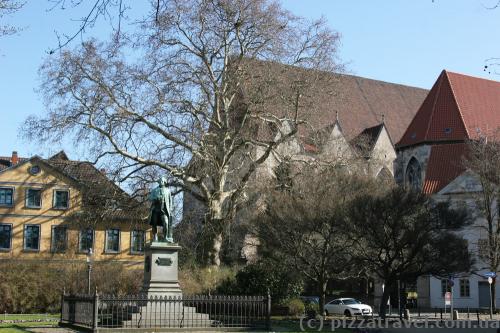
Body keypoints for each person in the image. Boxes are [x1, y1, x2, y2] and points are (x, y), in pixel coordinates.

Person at [148, 176, 173, 242]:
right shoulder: (154, 190)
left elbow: (170, 201)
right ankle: (155, 237)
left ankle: (165, 237)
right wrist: (155, 198)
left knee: (166, 223)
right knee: (154, 223)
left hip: (164, 210)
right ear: (159, 182)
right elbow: (150, 198)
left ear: (164, 182)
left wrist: (170, 210)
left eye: (162, 181)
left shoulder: (168, 191)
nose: (161, 182)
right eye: (160, 181)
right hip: (156, 209)